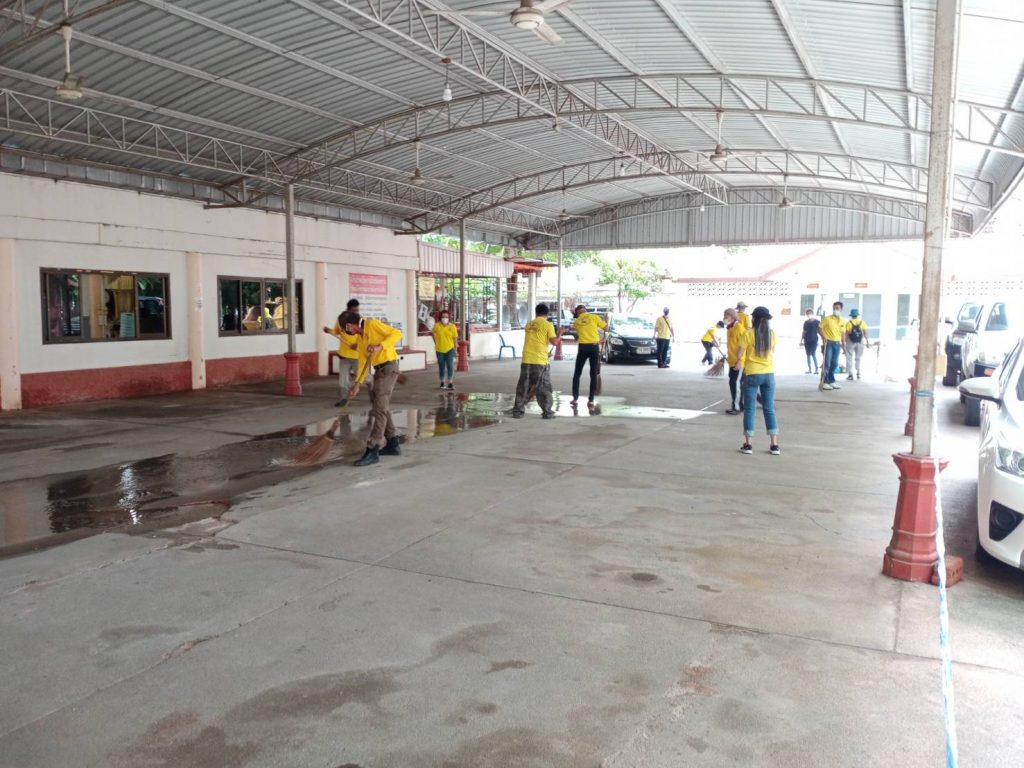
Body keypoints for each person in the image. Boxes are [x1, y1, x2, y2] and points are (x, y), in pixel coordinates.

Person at [338, 310, 403, 467]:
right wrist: (356, 385)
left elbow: (397, 333)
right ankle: (393, 443)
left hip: (389, 368)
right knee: (380, 405)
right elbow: (362, 364)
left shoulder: (372, 325)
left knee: (379, 408)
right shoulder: (361, 339)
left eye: (345, 329)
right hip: (379, 371)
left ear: (350, 325)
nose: (347, 332)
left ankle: (373, 447)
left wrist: (380, 346)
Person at [734, 306, 780, 455]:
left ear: (754, 319)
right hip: (769, 374)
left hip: (752, 373)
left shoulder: (748, 334)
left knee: (750, 409)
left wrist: (741, 359)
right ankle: (774, 445)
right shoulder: (772, 334)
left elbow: (739, 353)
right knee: (769, 409)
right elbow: (772, 351)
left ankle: (748, 445)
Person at [510, 303, 557, 419]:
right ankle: (547, 412)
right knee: (543, 387)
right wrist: (560, 333)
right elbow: (554, 342)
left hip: (526, 358)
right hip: (540, 360)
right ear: (547, 313)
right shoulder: (548, 325)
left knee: (523, 386)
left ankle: (518, 411)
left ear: (536, 312)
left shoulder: (529, 324)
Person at [571, 304, 607, 406]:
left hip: (582, 348)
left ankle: (575, 398)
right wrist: (601, 338)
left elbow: (578, 330)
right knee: (593, 373)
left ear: (578, 312)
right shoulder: (595, 317)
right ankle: (591, 400)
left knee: (577, 373)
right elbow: (606, 328)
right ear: (585, 310)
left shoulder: (577, 321)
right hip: (594, 347)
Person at [818, 301, 845, 391]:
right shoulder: (827, 319)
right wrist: (824, 337)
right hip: (828, 343)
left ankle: (831, 381)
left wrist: (843, 345)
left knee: (834, 363)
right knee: (827, 364)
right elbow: (819, 328)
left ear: (841, 309)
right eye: (834, 308)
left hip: (837, 344)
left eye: (837, 308)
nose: (835, 310)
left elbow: (843, 333)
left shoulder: (842, 320)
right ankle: (824, 382)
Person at [724, 308, 744, 414]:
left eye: (726, 315)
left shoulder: (739, 328)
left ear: (732, 316)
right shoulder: (729, 328)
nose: (724, 318)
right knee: (733, 383)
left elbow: (743, 346)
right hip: (732, 361)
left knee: (735, 384)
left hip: (738, 362)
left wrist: (740, 361)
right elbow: (731, 345)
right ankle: (738, 405)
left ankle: (737, 407)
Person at [431, 310, 459, 390]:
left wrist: (455, 350)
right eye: (443, 317)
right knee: (441, 366)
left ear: (449, 318)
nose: (445, 318)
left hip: (450, 349)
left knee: (450, 365)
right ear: (440, 317)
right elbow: (433, 333)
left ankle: (450, 382)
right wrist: (435, 342)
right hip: (439, 349)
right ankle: (442, 381)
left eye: (446, 317)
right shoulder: (437, 325)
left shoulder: (452, 326)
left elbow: (455, 338)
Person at [844, 308, 869, 381]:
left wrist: (844, 342)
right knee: (858, 357)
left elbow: (847, 333)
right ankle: (858, 372)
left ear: (851, 315)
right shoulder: (862, 322)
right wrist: (867, 342)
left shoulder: (848, 323)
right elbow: (865, 333)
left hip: (850, 342)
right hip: (860, 342)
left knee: (849, 357)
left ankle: (850, 374)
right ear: (857, 315)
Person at [800, 309, 820, 374]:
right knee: (808, 354)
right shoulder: (806, 322)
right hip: (807, 340)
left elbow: (820, 331)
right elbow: (804, 331)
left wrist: (823, 338)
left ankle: (816, 369)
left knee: (813, 354)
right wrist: (801, 340)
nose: (809, 314)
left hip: (814, 340)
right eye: (808, 313)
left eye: (810, 313)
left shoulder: (817, 322)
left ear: (813, 313)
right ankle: (809, 369)